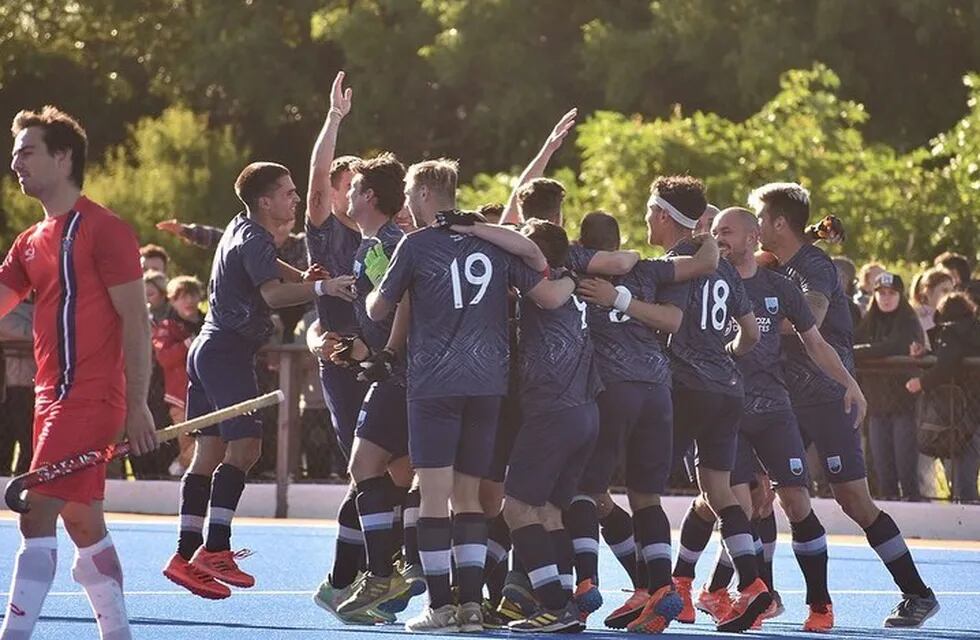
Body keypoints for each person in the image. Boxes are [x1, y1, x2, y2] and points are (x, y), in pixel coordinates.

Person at [366, 159, 577, 633]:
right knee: (470, 500)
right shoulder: (491, 243)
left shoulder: (414, 245)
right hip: (487, 387)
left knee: (434, 499)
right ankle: (472, 606)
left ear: (422, 194)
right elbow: (542, 286)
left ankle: (441, 607)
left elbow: (379, 308)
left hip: (434, 386)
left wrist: (372, 285)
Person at [582, 177, 768, 633]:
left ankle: (652, 588)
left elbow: (671, 318)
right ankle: (754, 584)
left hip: (682, 387)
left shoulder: (670, 264)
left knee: (633, 491)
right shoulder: (721, 266)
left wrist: (618, 300)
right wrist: (725, 355)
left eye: (649, 210)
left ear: (664, 215)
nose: (645, 218)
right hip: (727, 387)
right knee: (718, 491)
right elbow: (752, 333)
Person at [162, 160, 355, 600]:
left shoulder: (243, 227)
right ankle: (216, 549)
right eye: (288, 192)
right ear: (265, 201)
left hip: (210, 350)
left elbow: (270, 269)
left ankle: (185, 555)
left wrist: (302, 277)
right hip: (226, 354)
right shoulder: (254, 238)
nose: (296, 198)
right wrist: (322, 289)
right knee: (247, 448)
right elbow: (271, 294)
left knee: (209, 451)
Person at [0, 105, 159, 640]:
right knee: (82, 521)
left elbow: (136, 320)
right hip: (49, 398)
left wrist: (136, 404)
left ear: (63, 157)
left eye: (27, 151)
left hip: (90, 398)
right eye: (14, 152)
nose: (15, 162)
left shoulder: (105, 229)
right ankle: (117, 633)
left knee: (35, 511)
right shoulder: (29, 241)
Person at [750, 182, 939, 627]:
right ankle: (769, 594)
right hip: (784, 397)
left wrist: (754, 321)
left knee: (853, 500)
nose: (755, 226)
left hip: (826, 394)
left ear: (779, 222)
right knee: (768, 494)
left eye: (760, 218)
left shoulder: (816, 267)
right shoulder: (780, 258)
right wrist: (810, 230)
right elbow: (754, 257)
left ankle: (917, 593)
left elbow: (809, 319)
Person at [673, 207, 867, 632]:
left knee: (796, 502)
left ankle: (819, 605)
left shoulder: (780, 287)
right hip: (723, 408)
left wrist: (849, 383)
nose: (720, 238)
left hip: (775, 409)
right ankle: (694, 588)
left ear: (753, 236)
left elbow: (815, 343)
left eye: (728, 231)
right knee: (731, 504)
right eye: (716, 231)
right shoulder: (703, 281)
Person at [571, 212, 719, 633]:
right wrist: (707, 236)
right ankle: (659, 588)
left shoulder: (575, 267)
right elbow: (703, 264)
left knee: (584, 490)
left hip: (610, 389)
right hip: (657, 390)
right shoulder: (649, 269)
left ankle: (584, 582)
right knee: (646, 498)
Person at [312, 153, 418, 621]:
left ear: (369, 196)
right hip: (392, 372)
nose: (347, 195)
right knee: (383, 475)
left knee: (368, 469)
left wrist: (384, 354)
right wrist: (357, 348)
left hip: (401, 376)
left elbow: (407, 304)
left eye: (353, 188)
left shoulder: (386, 245)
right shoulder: (370, 244)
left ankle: (380, 574)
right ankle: (361, 579)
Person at [854, 272, 925, 501]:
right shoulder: (869, 321)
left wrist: (861, 352)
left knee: (905, 465)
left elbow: (894, 345)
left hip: (904, 404)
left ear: (900, 295)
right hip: (876, 405)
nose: (886, 298)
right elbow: (853, 343)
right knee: (881, 466)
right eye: (881, 293)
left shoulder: (909, 321)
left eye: (891, 293)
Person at [907, 292, 980, 502]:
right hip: (973, 409)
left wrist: (922, 383)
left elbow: (947, 363)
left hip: (964, 413)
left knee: (963, 472)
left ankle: (966, 516)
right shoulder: (974, 330)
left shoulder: (951, 332)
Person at [151, 275, 205, 476]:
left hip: (212, 395)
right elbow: (165, 357)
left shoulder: (209, 322)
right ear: (172, 301)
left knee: (213, 443)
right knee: (190, 446)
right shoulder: (167, 327)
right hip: (181, 397)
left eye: (192, 295)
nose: (188, 301)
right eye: (181, 297)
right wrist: (189, 343)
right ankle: (178, 472)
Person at [0, 299, 35, 476]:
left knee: (30, 442)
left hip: (35, 387)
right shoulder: (6, 306)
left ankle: (25, 484)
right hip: (10, 387)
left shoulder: (40, 304)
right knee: (5, 441)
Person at [910, 267, 955, 343]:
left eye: (952, 291)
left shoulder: (949, 317)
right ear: (928, 292)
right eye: (945, 291)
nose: (950, 295)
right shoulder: (917, 319)